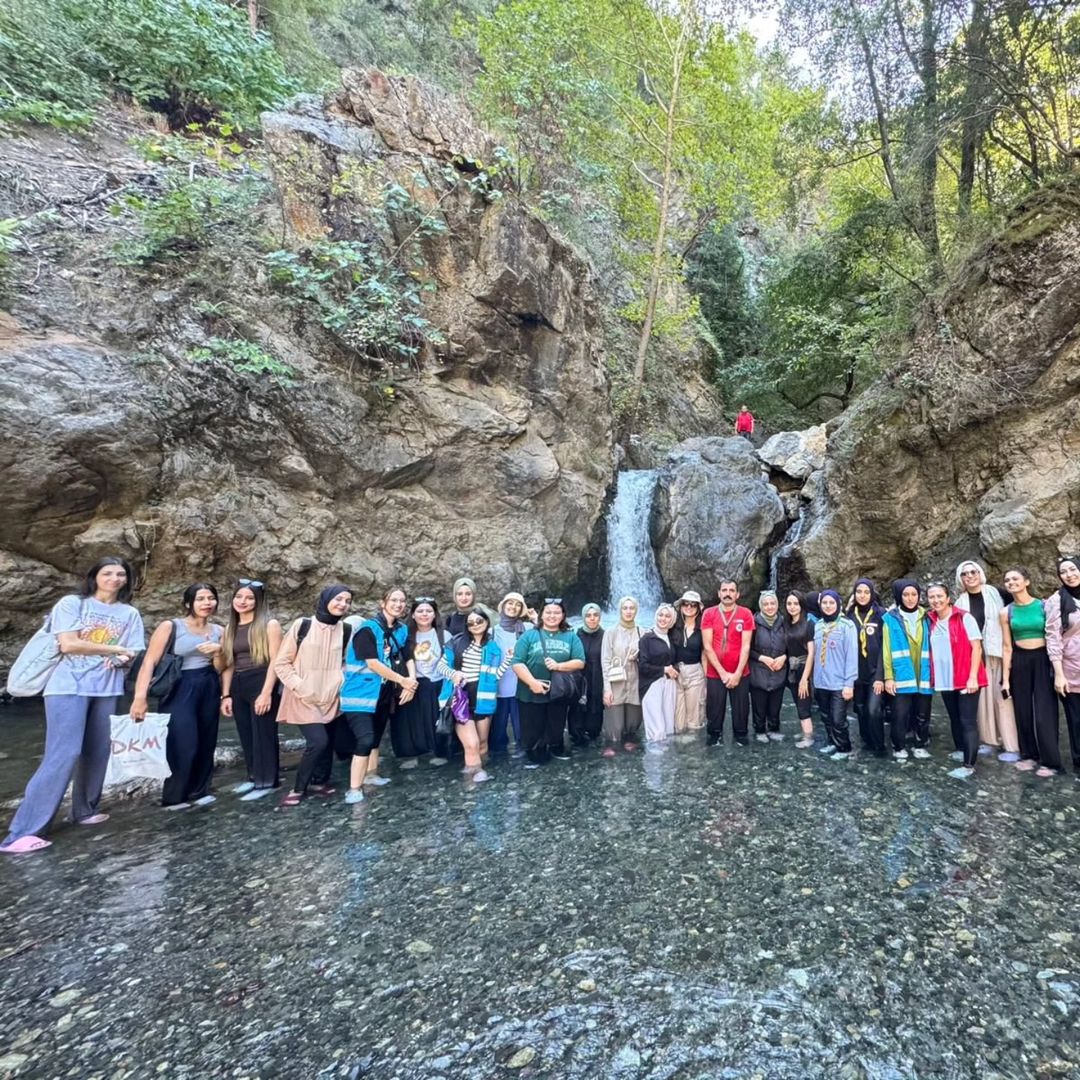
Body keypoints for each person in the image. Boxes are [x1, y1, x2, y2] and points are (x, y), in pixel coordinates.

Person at [2, 557, 145, 855]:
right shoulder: (72, 604)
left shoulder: (129, 613)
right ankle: (23, 832)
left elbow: (133, 650)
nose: (115, 579)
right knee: (64, 752)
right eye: (107, 573)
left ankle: (83, 810)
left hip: (107, 687)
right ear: (94, 577)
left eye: (121, 574)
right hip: (67, 686)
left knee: (97, 750)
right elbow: (68, 643)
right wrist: (116, 648)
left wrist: (122, 657)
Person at [132, 583, 223, 810]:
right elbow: (150, 662)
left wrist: (218, 651)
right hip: (179, 685)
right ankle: (174, 797)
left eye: (211, 598)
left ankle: (199, 790)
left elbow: (222, 667)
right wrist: (139, 697)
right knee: (182, 741)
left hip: (209, 683)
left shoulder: (220, 631)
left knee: (206, 740)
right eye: (200, 599)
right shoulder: (171, 626)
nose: (206, 603)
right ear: (188, 603)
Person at [274, 584, 354, 806]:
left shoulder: (345, 630)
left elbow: (346, 662)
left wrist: (340, 680)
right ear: (326, 599)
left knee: (328, 741)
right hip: (302, 695)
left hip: (331, 694)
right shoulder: (303, 625)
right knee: (318, 741)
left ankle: (320, 782)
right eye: (338, 599)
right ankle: (298, 788)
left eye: (347, 601)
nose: (343, 604)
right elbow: (281, 663)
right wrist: (300, 685)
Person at [340, 587, 417, 801]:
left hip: (382, 693)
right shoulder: (367, 630)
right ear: (383, 603)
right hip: (359, 694)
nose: (398, 604)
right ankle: (354, 788)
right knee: (365, 739)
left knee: (375, 738)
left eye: (402, 601)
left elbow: (407, 654)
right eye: (394, 600)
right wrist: (403, 681)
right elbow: (373, 663)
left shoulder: (400, 629)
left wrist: (412, 680)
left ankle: (371, 776)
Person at [217, 579, 283, 799]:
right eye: (239, 597)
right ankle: (253, 776)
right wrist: (225, 695)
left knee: (263, 732)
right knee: (245, 732)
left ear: (258, 601)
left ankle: (267, 782)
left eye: (249, 598)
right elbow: (228, 664)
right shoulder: (230, 628)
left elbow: (276, 661)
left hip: (261, 679)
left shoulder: (269, 625)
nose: (242, 601)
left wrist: (266, 693)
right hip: (237, 683)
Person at [954, 559, 1020, 760]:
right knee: (983, 703)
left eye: (973, 572)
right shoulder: (960, 603)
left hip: (1000, 653)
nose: (970, 576)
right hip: (976, 658)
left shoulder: (998, 593)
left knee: (1003, 698)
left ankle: (1011, 746)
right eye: (965, 574)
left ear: (980, 573)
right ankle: (990, 741)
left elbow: (1018, 609)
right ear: (960, 579)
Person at [511, 598, 586, 767]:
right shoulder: (529, 635)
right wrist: (532, 683)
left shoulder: (570, 636)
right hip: (530, 690)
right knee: (532, 723)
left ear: (563, 615)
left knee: (556, 721)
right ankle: (533, 750)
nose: (552, 616)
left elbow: (580, 661)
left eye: (557, 612)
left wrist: (559, 665)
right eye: (548, 612)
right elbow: (517, 662)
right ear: (542, 614)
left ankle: (555, 746)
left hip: (559, 690)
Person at [1001, 567, 1060, 777]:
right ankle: (1028, 755)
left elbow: (1054, 636)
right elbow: (1007, 647)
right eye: (1007, 580)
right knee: (1022, 709)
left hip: (1043, 659)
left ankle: (1051, 761)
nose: (1011, 582)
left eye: (1015, 578)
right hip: (1020, 660)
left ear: (1026, 581)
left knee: (1045, 711)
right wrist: (1005, 679)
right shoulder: (1006, 612)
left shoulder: (1043, 606)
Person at [926, 583, 986, 779]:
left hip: (965, 678)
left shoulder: (964, 617)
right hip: (945, 678)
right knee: (954, 717)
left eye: (939, 596)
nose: (936, 600)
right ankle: (961, 749)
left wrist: (972, 677)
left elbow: (976, 648)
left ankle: (969, 765)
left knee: (967, 721)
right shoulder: (931, 620)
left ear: (948, 597)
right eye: (932, 597)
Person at [439, 608, 506, 782]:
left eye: (479, 621)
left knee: (483, 744)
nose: (475, 625)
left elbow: (495, 676)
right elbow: (440, 666)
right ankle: (472, 783)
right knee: (472, 744)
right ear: (466, 625)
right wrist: (454, 674)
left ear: (486, 623)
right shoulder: (456, 642)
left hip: (484, 700)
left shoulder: (492, 647)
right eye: (471, 622)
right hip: (461, 699)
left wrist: (508, 661)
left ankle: (479, 781)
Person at [882, 580, 933, 761]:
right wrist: (888, 676)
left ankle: (920, 744)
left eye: (914, 594)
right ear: (898, 596)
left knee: (922, 713)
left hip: (924, 673)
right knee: (899, 714)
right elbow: (886, 650)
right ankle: (899, 746)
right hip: (901, 673)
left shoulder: (927, 617)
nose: (910, 599)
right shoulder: (889, 618)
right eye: (905, 595)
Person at [396, 598, 450, 768]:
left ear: (435, 614)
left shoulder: (444, 635)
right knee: (411, 719)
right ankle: (412, 753)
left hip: (437, 681)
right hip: (413, 681)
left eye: (428, 611)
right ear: (412, 614)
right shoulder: (405, 635)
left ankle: (437, 750)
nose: (424, 614)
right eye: (420, 611)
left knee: (435, 718)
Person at [701, 580, 754, 747]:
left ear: (737, 594)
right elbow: (707, 647)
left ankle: (740, 735)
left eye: (732, 590)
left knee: (741, 708)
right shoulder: (709, 613)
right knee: (714, 708)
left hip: (740, 671)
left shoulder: (745, 614)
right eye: (724, 590)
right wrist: (723, 673)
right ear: (718, 593)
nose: (728, 593)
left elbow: (746, 646)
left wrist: (737, 673)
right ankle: (714, 735)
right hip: (715, 672)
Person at [811, 589, 857, 758]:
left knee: (838, 718)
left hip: (839, 682)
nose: (828, 606)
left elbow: (852, 656)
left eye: (832, 603)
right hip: (821, 681)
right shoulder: (818, 625)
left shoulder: (847, 625)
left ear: (838, 604)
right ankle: (832, 742)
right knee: (825, 716)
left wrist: (849, 683)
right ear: (820, 605)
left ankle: (844, 748)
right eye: (825, 603)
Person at [1046, 555, 1080, 775]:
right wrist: (1058, 674)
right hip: (1071, 670)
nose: (1070, 574)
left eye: (1073, 569)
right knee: (1076, 720)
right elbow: (1053, 637)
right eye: (1064, 572)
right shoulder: (1056, 601)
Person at [846, 578, 885, 755]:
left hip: (875, 672)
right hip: (856, 674)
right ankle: (866, 742)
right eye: (859, 592)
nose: (862, 595)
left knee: (873, 710)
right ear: (854, 594)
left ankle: (879, 746)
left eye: (866, 592)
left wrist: (880, 677)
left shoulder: (881, 615)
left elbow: (886, 647)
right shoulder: (848, 616)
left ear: (872, 594)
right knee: (860, 709)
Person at [491, 592, 532, 755]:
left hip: (520, 688)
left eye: (518, 604)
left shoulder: (528, 629)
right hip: (499, 689)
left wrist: (534, 617)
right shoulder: (492, 631)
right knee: (497, 737)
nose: (513, 607)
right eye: (510, 603)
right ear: (503, 605)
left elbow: (546, 634)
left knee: (522, 733)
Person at [601, 596, 643, 756]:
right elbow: (605, 662)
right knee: (615, 726)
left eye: (631, 608)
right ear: (620, 610)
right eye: (625, 608)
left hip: (635, 683)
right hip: (616, 684)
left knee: (633, 722)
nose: (628, 611)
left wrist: (638, 656)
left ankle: (630, 745)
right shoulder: (610, 632)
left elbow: (648, 659)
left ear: (636, 611)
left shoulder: (642, 631)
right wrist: (607, 689)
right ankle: (612, 745)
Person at [749, 590, 788, 743]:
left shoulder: (785, 622)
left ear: (777, 605)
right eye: (766, 604)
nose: (770, 607)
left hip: (779, 670)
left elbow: (792, 646)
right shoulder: (753, 622)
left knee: (775, 706)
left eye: (772, 603)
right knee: (759, 704)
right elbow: (747, 648)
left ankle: (774, 728)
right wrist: (762, 658)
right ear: (761, 606)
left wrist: (784, 657)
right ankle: (759, 730)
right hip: (758, 671)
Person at [638, 604, 679, 743]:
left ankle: (668, 763)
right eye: (661, 615)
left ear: (672, 620)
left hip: (669, 684)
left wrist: (674, 670)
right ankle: (654, 762)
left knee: (668, 728)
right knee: (657, 730)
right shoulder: (646, 638)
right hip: (651, 685)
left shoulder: (672, 638)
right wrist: (664, 670)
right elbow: (642, 666)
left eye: (668, 616)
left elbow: (674, 660)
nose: (663, 619)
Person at [570, 603, 605, 747]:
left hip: (598, 678)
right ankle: (576, 737)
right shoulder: (575, 635)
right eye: (588, 616)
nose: (592, 619)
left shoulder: (606, 635)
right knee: (577, 708)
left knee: (595, 708)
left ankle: (594, 736)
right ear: (583, 617)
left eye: (595, 615)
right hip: (579, 678)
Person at [783, 592, 816, 748]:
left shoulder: (809, 624)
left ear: (801, 605)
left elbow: (811, 653)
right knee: (798, 703)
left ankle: (809, 738)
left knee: (804, 706)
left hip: (804, 668)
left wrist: (805, 678)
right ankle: (806, 732)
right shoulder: (786, 624)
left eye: (795, 603)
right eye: (789, 604)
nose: (792, 607)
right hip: (791, 669)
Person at [672, 590, 706, 733]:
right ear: (680, 606)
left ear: (698, 608)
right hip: (675, 674)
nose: (689, 607)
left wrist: (707, 679)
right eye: (686, 604)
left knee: (695, 717)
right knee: (677, 720)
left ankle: (694, 752)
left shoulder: (703, 628)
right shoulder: (673, 626)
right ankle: (679, 751)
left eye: (693, 605)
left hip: (695, 672)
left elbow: (705, 654)